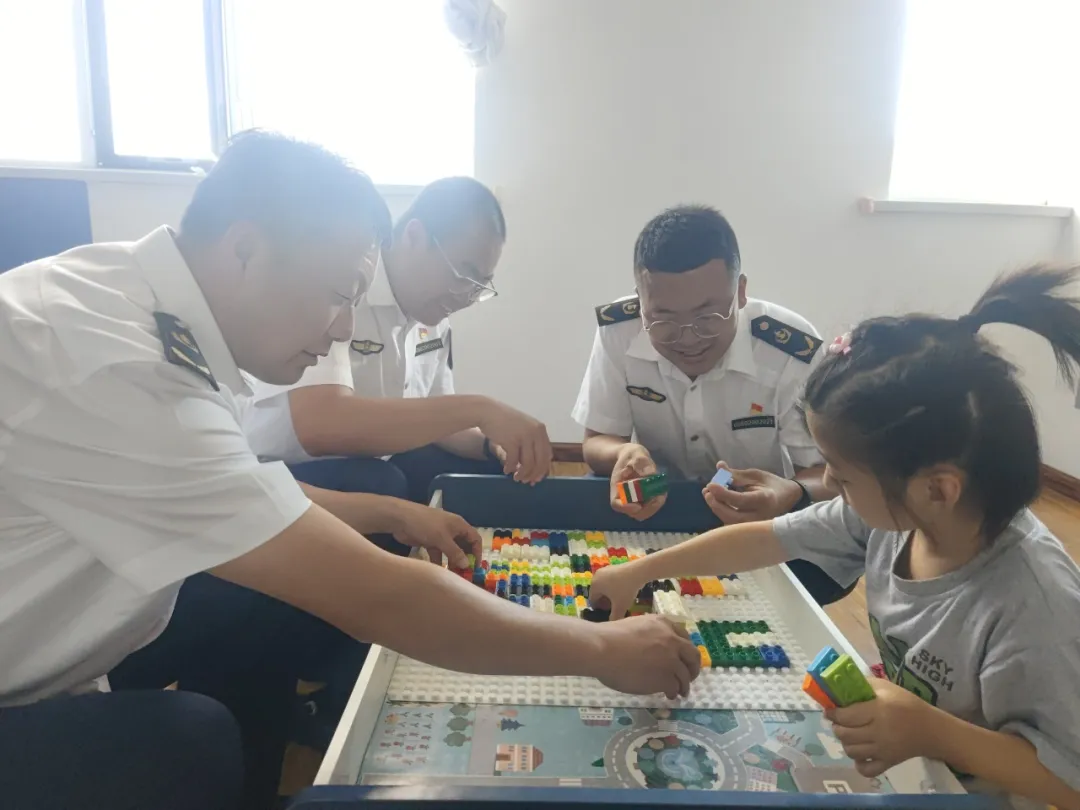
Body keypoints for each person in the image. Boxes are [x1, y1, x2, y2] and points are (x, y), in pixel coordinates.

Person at [0, 131, 700, 810]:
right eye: (337, 294)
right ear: (244, 249)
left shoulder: (129, 295)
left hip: (66, 633)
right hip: (25, 687)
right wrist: (597, 646)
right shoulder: (118, 367)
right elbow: (381, 596)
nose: (342, 328)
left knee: (261, 610)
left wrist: (394, 514)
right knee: (188, 741)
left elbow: (241, 488)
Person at [588, 265, 1080, 810]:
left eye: (842, 477)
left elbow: (1069, 779)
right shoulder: (895, 519)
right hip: (914, 764)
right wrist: (642, 570)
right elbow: (765, 539)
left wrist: (930, 730)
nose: (830, 486)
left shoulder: (1034, 605)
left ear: (937, 489)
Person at [572, 204, 850, 605]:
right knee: (590, 522)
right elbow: (597, 440)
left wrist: (789, 493)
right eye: (663, 320)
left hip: (757, 515)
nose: (688, 339)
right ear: (640, 301)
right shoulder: (620, 329)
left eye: (708, 317)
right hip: (659, 501)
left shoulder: (789, 348)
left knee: (821, 565)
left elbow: (828, 474)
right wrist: (625, 454)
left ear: (741, 292)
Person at [243, 177, 552, 507]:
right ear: (414, 236)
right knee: (380, 481)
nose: (465, 298)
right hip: (287, 469)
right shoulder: (344, 287)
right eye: (462, 275)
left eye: (479, 287)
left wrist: (492, 445)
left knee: (479, 471)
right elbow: (319, 424)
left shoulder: (434, 319)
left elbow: (440, 421)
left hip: (370, 463)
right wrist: (480, 408)